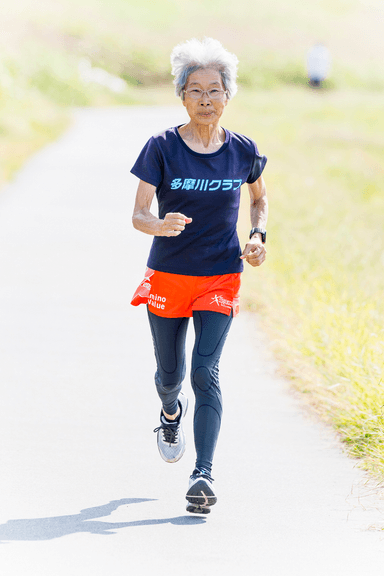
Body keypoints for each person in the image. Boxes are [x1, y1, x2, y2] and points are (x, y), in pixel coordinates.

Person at [131, 37, 268, 514]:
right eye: (195, 91)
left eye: (214, 90)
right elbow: (139, 214)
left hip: (219, 275)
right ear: (182, 96)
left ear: (228, 95)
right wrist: (159, 224)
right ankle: (170, 413)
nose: (206, 99)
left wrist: (258, 236)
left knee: (204, 370)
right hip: (169, 274)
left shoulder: (243, 150)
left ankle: (203, 475)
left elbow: (259, 198)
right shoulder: (163, 147)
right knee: (170, 375)